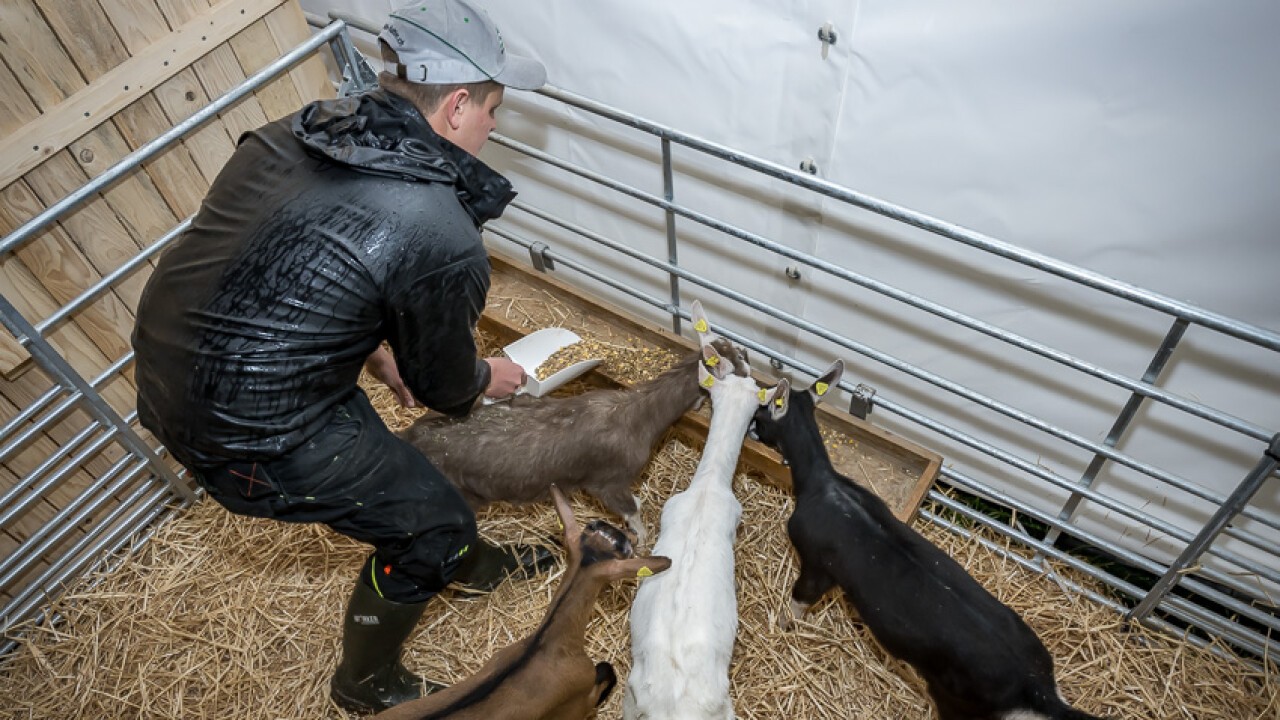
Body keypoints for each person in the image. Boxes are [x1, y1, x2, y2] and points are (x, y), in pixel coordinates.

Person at [130, 0, 556, 713]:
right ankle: (366, 683)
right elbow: (445, 388)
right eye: (493, 111)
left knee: (416, 486)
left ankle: (474, 566)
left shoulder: (291, 134)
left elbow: (276, 280)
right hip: (252, 433)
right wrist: (487, 376)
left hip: (170, 366)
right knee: (431, 524)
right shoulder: (441, 231)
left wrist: (370, 352)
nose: (492, 127)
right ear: (456, 107)